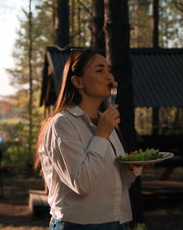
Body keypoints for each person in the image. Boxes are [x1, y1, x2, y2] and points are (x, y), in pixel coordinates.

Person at [34, 49, 137, 230]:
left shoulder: (104, 121)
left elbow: (114, 184)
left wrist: (132, 168)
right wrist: (101, 135)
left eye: (108, 70)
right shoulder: (62, 124)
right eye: (99, 70)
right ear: (77, 81)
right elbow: (82, 184)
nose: (109, 76)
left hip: (115, 222)